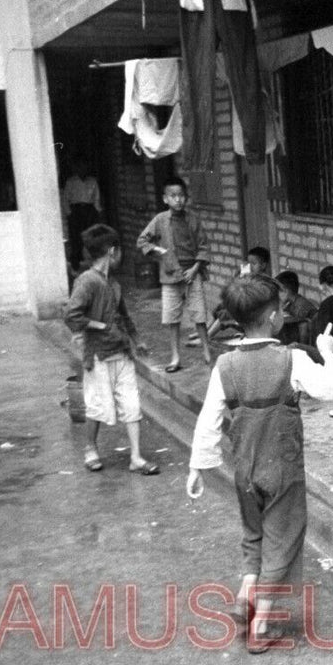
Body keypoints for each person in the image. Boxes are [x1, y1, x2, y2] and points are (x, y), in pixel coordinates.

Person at [185, 275, 333, 654]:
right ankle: (262, 624)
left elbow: (208, 418)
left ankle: (246, 594)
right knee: (284, 537)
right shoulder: (292, 358)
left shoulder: (225, 365)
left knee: (254, 533)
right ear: (274, 316)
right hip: (283, 470)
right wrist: (328, 351)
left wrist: (198, 466)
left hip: (244, 470)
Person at [63, 224, 157, 476]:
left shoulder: (112, 284)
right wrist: (99, 325)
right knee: (96, 407)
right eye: (120, 251)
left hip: (121, 351)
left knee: (132, 405)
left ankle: (136, 457)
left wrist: (137, 340)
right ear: (112, 251)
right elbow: (71, 314)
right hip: (98, 355)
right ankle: (90, 448)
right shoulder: (87, 281)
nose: (121, 256)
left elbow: (124, 315)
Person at [136, 176, 211, 373]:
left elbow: (203, 246)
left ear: (186, 198)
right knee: (172, 318)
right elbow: (142, 241)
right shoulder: (160, 220)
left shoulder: (193, 219)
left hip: (192, 274)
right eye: (173, 196)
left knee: (199, 315)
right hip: (170, 276)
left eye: (181, 196)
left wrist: (195, 269)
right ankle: (175, 356)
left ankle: (206, 351)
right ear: (165, 199)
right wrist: (158, 251)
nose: (178, 200)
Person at [204, 246, 271, 346]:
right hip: (246, 311)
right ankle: (204, 332)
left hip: (254, 316)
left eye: (254, 264)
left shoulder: (263, 281)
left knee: (227, 313)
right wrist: (238, 277)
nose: (250, 267)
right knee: (221, 306)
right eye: (249, 263)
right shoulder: (249, 277)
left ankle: (207, 338)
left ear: (263, 266)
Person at [61, 158, 104, 271]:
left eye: (84, 167)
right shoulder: (71, 182)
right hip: (75, 211)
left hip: (89, 211)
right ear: (76, 168)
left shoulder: (92, 181)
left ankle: (93, 265)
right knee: (75, 238)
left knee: (90, 236)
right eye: (79, 167)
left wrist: (98, 212)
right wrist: (70, 214)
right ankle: (76, 266)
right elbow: (65, 199)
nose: (82, 169)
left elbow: (96, 198)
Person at [274, 269, 318, 346]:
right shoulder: (291, 303)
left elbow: (299, 324)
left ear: (285, 291)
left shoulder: (301, 306)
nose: (276, 296)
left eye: (277, 292)